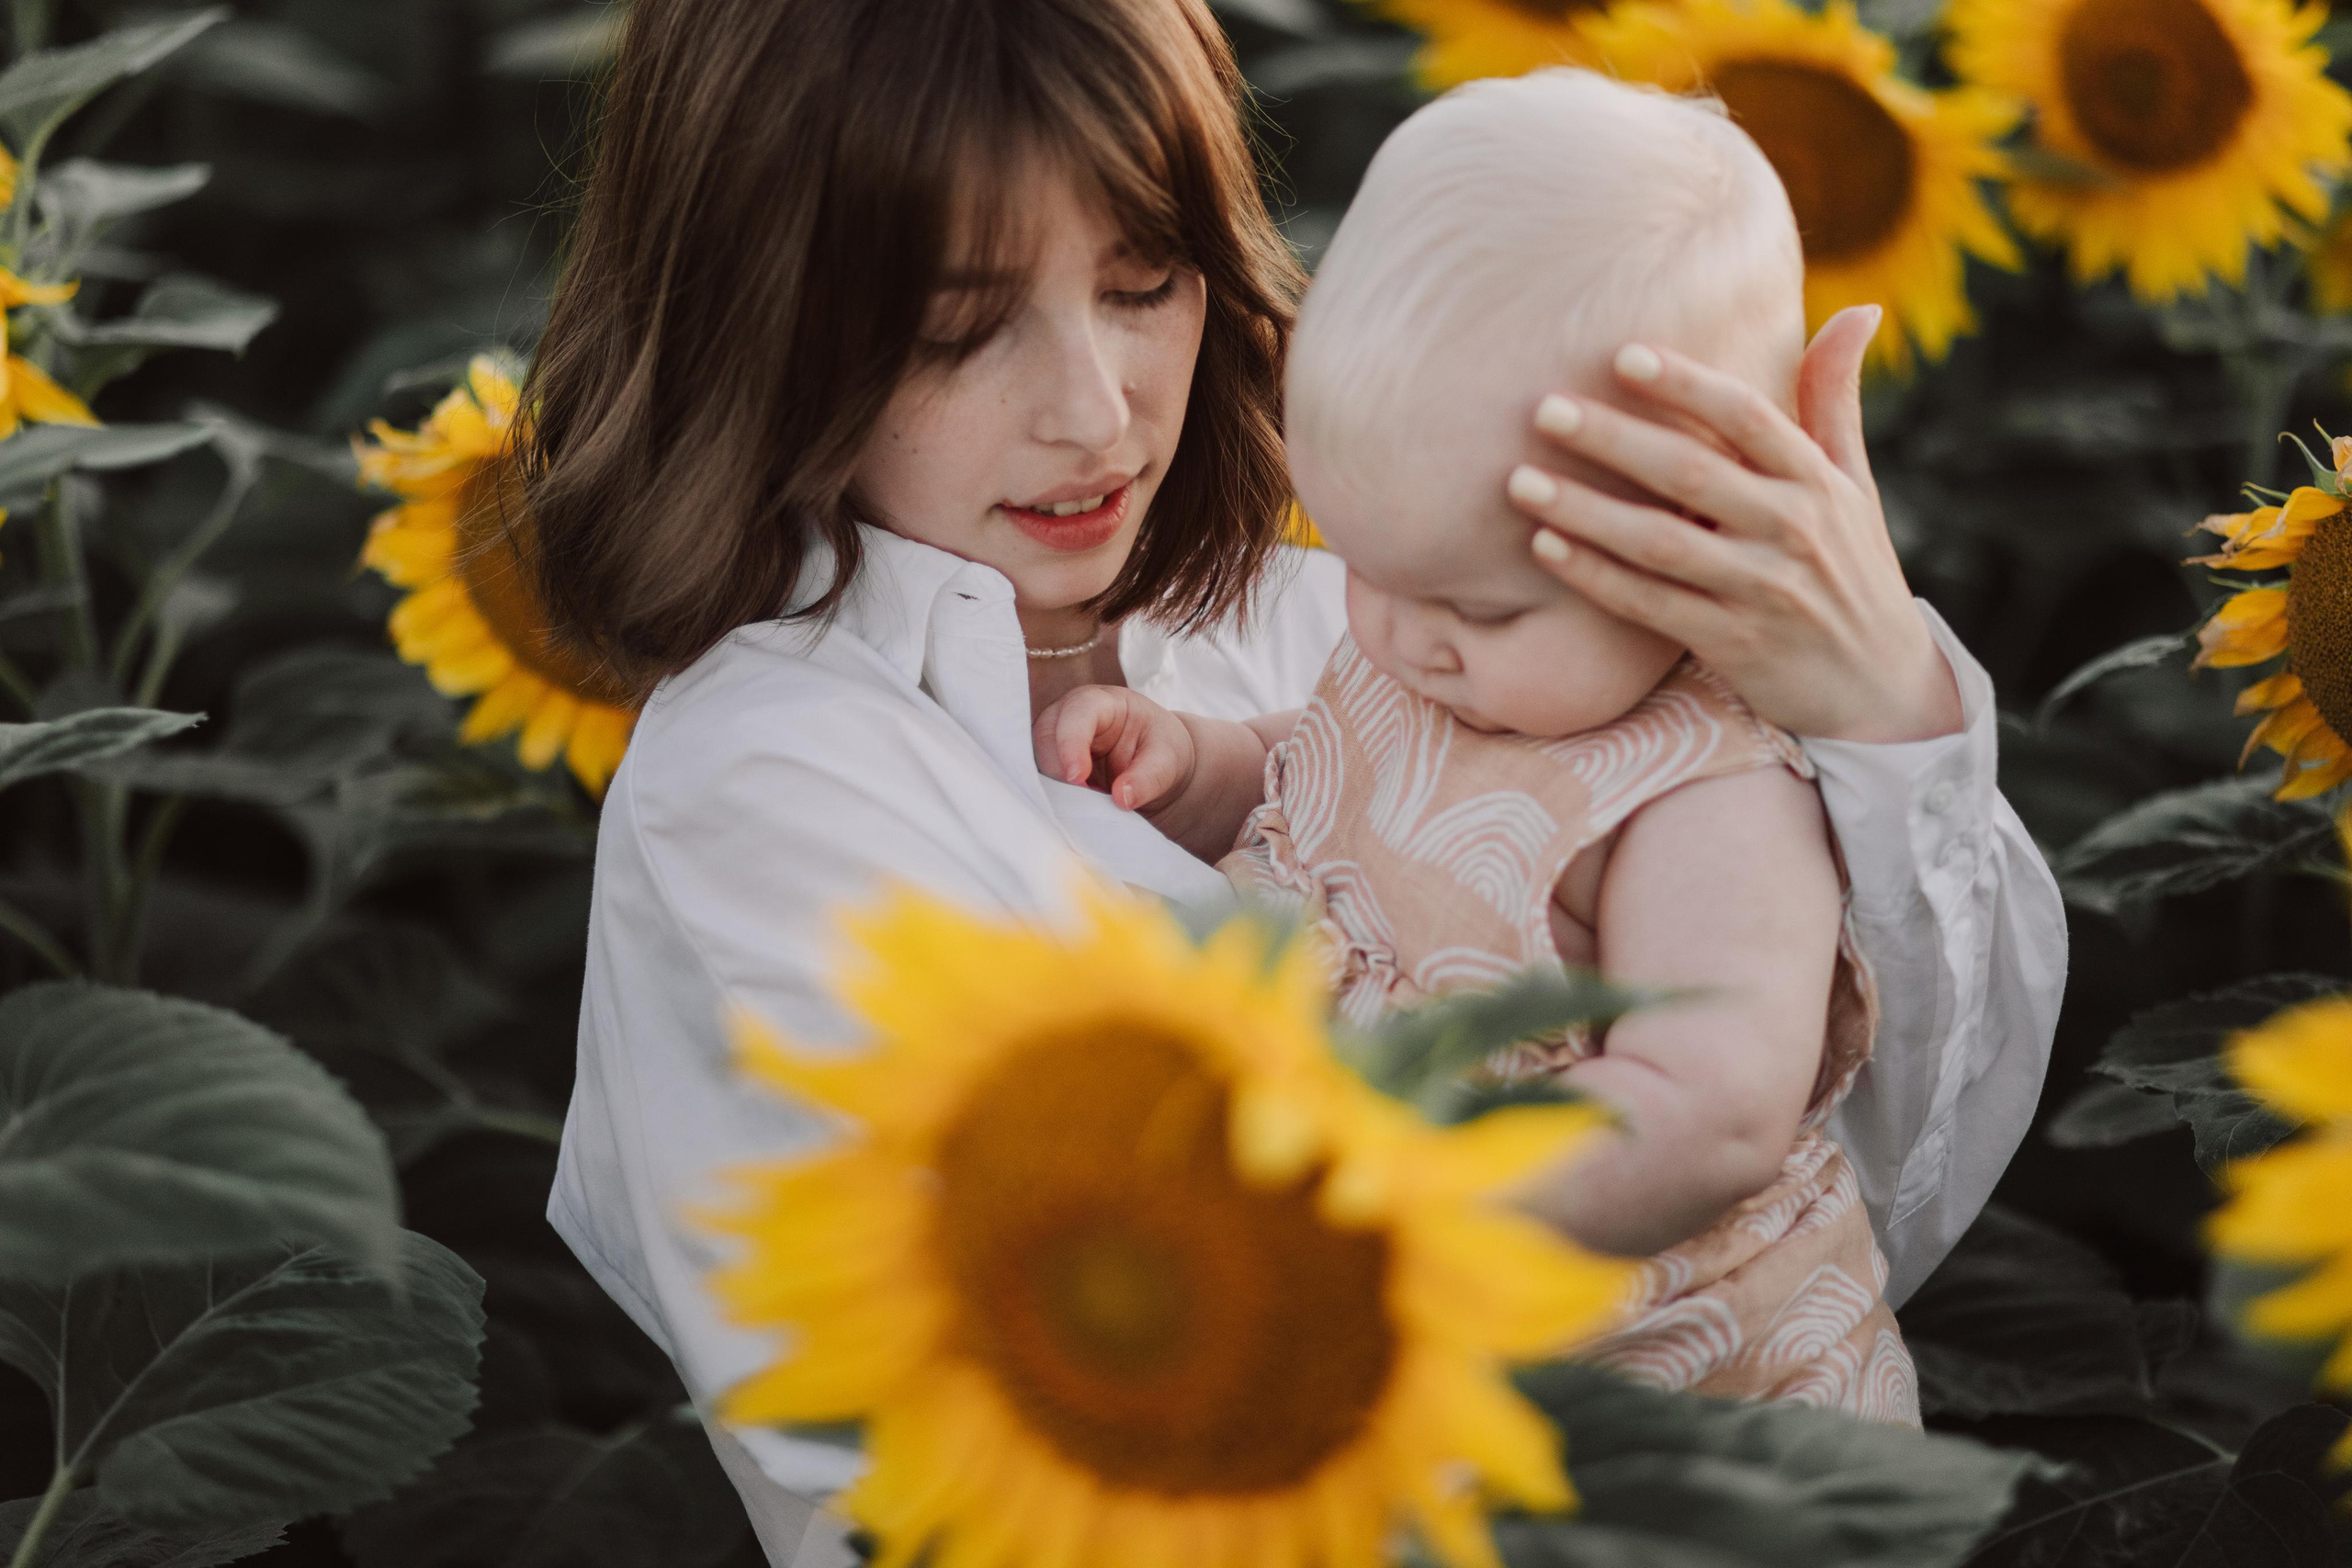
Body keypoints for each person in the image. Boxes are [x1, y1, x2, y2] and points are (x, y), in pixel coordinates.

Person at [518, 0, 2065, 1558]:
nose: (1095, 407)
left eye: (1145, 283)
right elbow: (944, 1463)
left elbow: (1871, 1186)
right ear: (753, 318)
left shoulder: (1361, 615)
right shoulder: (770, 784)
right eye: (955, 327)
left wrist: (1876, 712)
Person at [1039, 70, 1920, 1419]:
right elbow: (1333, 765)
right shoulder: (1448, 652)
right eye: (1366, 563)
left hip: (1674, 1408)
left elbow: (1714, 1113)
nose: (1401, 637)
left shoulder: (1709, 802)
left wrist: (1432, 1187)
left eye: (1478, 604)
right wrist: (1196, 761)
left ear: (1706, 523)